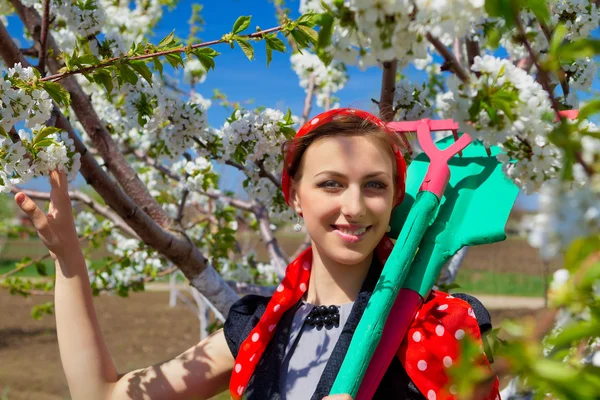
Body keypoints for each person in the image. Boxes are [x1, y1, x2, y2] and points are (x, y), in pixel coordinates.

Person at [14, 108, 499, 400]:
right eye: (331, 184)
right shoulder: (260, 329)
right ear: (295, 197)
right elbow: (103, 395)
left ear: (396, 199)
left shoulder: (442, 325)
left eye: (374, 186)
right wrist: (69, 262)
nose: (353, 207)